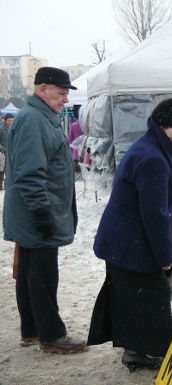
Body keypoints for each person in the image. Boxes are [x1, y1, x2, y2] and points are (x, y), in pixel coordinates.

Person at [88, 98, 172, 372]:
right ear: (163, 126)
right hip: (131, 240)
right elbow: (155, 215)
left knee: (131, 296)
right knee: (154, 294)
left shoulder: (149, 146)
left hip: (122, 239)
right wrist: (166, 261)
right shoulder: (153, 158)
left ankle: (135, 350)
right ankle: (156, 351)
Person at [2, 67, 86, 353]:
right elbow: (29, 174)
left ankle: (32, 330)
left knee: (29, 273)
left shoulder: (40, 117)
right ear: (43, 90)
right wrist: (41, 213)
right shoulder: (34, 120)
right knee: (42, 276)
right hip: (36, 214)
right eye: (61, 93)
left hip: (35, 213)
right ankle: (52, 335)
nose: (65, 99)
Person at [0, 113, 14, 190]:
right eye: (9, 120)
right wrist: (1, 147)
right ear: (5, 121)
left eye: (12, 120)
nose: (11, 122)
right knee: (1, 170)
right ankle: (0, 186)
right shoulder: (1, 129)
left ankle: (7, 186)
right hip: (2, 153)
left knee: (9, 171)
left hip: (11, 153)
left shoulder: (15, 129)